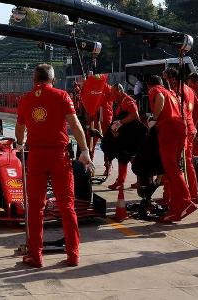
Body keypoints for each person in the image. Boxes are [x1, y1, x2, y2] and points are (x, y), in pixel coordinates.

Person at [15, 64, 94, 268]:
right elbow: (75, 125)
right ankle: (73, 254)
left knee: (35, 208)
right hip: (59, 156)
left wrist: (20, 142)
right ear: (53, 79)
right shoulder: (62, 96)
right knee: (67, 206)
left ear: (34, 80)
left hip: (37, 156)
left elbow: (20, 128)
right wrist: (84, 150)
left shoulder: (25, 99)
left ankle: (36, 255)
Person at [146, 75, 197, 223]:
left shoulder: (156, 90)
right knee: (175, 169)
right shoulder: (172, 93)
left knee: (171, 169)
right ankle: (176, 208)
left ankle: (186, 201)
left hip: (168, 129)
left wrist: (154, 119)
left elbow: (159, 98)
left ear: (150, 85)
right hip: (181, 127)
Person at [163, 68, 198, 204]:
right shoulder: (188, 89)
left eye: (166, 79)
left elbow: (179, 111)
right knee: (188, 163)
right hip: (188, 129)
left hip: (181, 130)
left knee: (173, 163)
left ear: (172, 78)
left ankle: (171, 196)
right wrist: (192, 125)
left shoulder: (177, 91)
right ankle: (194, 194)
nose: (165, 82)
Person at [107, 84, 140, 190]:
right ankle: (122, 181)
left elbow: (135, 115)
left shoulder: (127, 100)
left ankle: (140, 180)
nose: (112, 95)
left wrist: (121, 122)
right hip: (125, 135)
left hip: (131, 135)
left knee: (130, 158)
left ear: (119, 91)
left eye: (113, 92)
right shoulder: (121, 102)